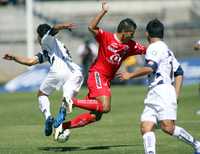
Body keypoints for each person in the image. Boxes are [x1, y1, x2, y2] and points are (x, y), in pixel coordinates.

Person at [54, 0, 146, 138]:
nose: (132, 36)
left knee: (94, 117)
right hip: (97, 75)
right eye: (131, 33)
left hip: (105, 80)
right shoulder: (106, 37)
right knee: (105, 107)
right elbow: (91, 27)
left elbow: (147, 50)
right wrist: (103, 11)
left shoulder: (130, 45)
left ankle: (62, 127)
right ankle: (70, 101)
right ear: (123, 32)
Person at [118, 19, 200, 154]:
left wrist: (130, 75)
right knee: (146, 126)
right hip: (156, 91)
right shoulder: (166, 49)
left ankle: (197, 145)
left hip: (162, 92)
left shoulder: (154, 47)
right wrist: (176, 94)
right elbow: (179, 72)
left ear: (147, 34)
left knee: (168, 128)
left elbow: (151, 68)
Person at [2, 22, 84, 137]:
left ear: (40, 35)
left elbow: (54, 29)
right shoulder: (52, 48)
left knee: (42, 94)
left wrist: (63, 26)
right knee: (67, 98)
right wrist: (14, 58)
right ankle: (63, 109)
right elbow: (30, 62)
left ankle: (49, 117)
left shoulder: (46, 39)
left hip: (59, 69)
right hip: (76, 72)